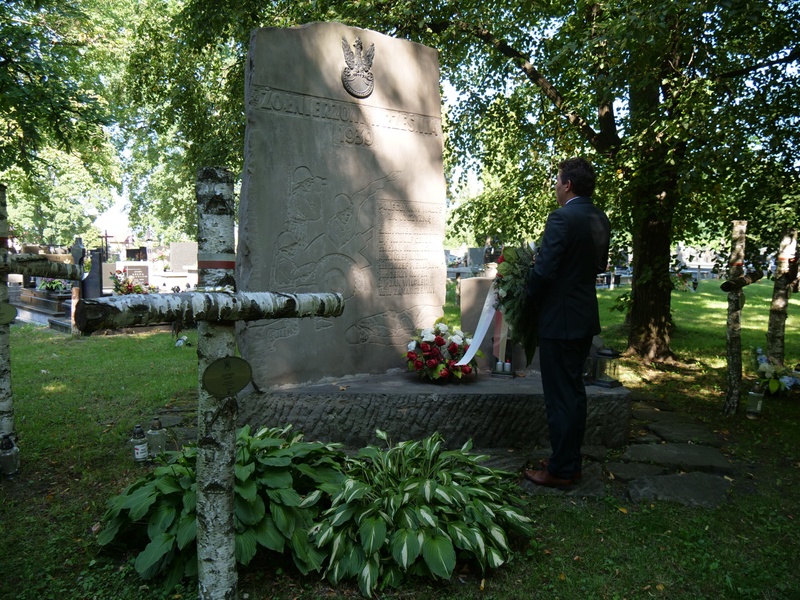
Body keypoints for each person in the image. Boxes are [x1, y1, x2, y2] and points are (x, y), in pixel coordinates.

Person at [524, 157, 610, 488]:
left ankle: (559, 471)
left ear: (568, 185)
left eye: (558, 182)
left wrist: (528, 298)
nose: (556, 188)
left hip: (559, 320)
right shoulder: (600, 217)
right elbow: (598, 266)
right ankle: (569, 463)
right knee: (573, 393)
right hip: (583, 317)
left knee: (559, 397)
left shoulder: (561, 217)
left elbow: (544, 272)